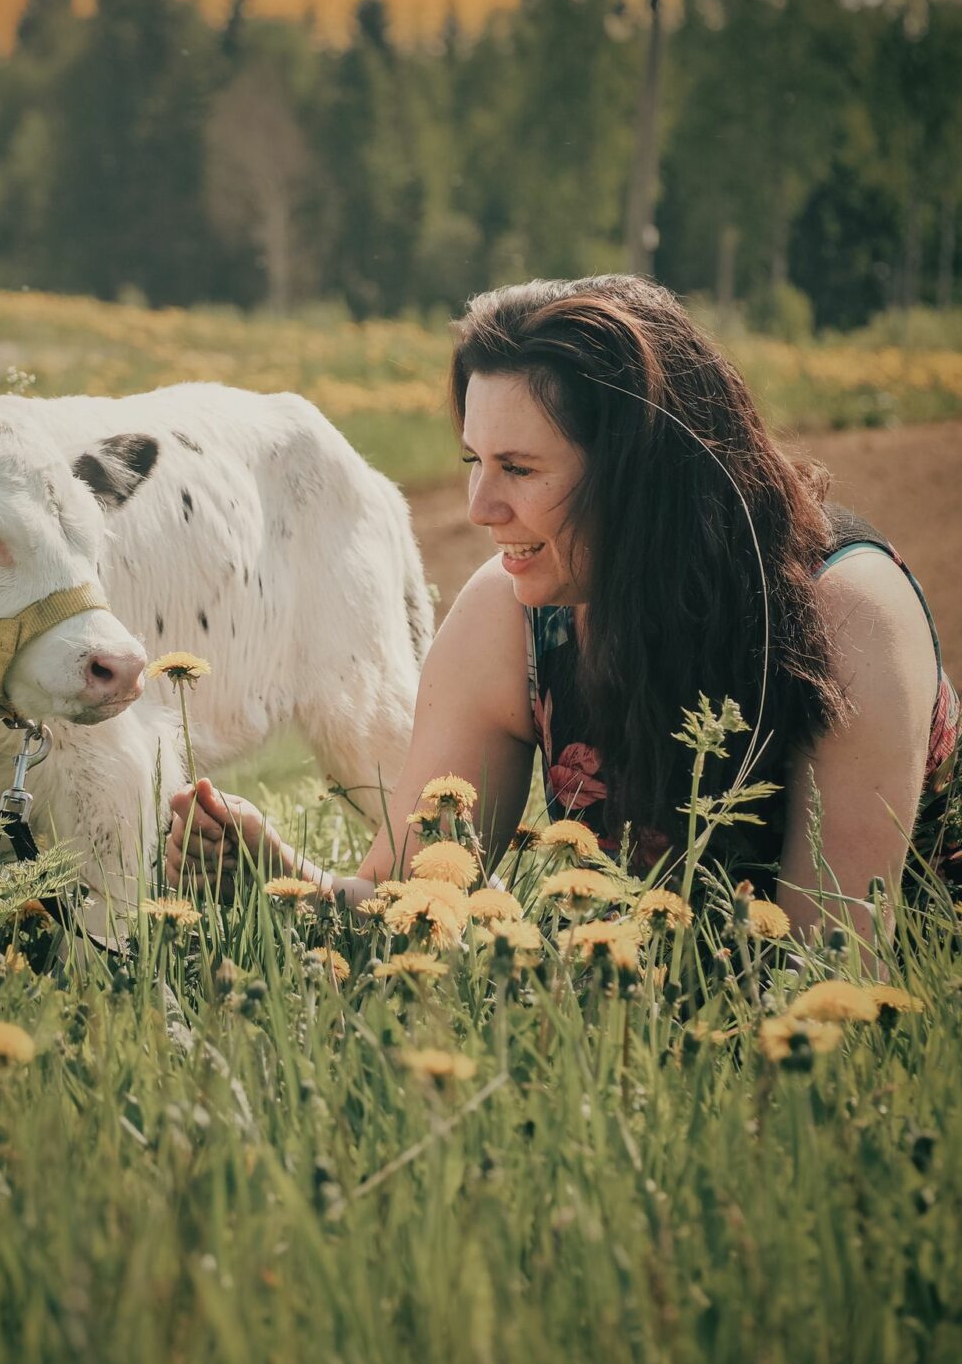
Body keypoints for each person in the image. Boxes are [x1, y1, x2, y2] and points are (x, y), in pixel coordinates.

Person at [165, 275, 959, 939]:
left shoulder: (848, 614)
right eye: (474, 460)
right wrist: (277, 878)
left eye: (518, 467)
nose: (480, 506)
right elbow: (405, 905)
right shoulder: (509, 618)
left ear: (637, 472)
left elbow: (837, 962)